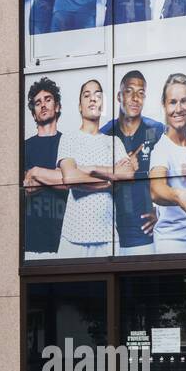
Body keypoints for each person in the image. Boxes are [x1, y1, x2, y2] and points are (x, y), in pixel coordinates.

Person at [101, 70, 163, 255]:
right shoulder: (105, 134)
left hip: (145, 234)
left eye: (141, 92)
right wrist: (118, 171)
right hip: (110, 232)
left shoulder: (156, 131)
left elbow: (170, 174)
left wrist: (159, 212)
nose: (136, 98)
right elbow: (94, 181)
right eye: (129, 91)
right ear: (119, 96)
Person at [54, 80, 116, 258]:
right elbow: (71, 178)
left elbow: (127, 175)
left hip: (108, 237)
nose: (93, 99)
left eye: (98, 95)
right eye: (87, 95)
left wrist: (89, 169)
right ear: (80, 106)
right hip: (72, 237)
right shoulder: (69, 139)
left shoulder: (114, 142)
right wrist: (107, 181)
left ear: (103, 104)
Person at [148, 73, 186, 252]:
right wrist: (178, 196)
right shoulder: (161, 149)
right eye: (172, 102)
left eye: (184, 101)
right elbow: (157, 190)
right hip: (171, 243)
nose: (178, 109)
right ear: (164, 106)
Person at [22, 78, 67, 257]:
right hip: (32, 239)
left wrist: (35, 173)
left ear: (57, 106)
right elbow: (27, 187)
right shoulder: (25, 147)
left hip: (65, 237)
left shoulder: (69, 143)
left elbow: (70, 181)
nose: (43, 105)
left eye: (48, 99)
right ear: (33, 113)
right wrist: (56, 175)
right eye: (38, 103)